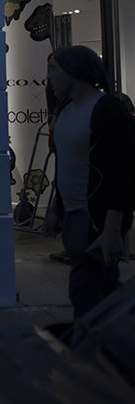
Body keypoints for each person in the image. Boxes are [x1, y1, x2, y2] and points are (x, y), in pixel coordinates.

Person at [40, 45, 135, 318]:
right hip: (73, 216)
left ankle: (90, 341)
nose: (49, 77)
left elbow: (122, 173)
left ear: (75, 70)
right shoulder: (66, 110)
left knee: (85, 292)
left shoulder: (108, 110)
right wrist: (56, 208)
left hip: (94, 219)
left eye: (54, 69)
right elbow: (65, 163)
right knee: (101, 289)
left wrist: (112, 229)